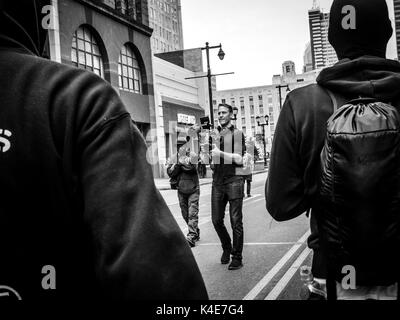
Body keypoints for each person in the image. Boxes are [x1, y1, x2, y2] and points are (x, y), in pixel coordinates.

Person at [0, 0, 208, 300]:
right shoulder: (73, 99)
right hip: (181, 188)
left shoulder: (76, 102)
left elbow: (191, 164)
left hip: (194, 187)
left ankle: (196, 232)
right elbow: (160, 281)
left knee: (195, 214)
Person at [266, 0, 400, 300]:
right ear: (388, 32)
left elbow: (281, 205)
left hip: (335, 277)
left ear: (332, 38)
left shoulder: (301, 104)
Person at [208, 103, 246, 270]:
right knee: (216, 220)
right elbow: (213, 160)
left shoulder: (237, 133)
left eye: (224, 112)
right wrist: (210, 158)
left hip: (235, 181)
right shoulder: (215, 134)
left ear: (231, 114)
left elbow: (238, 158)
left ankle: (237, 257)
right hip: (218, 182)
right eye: (219, 113)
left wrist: (220, 153)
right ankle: (227, 247)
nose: (221, 115)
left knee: (236, 221)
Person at [167, 143, 200, 248]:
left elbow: (192, 168)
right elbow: (170, 172)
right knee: (185, 214)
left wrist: (180, 163)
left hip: (193, 189)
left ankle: (192, 236)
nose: (182, 148)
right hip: (181, 190)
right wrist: (179, 164)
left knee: (192, 213)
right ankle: (195, 230)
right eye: (180, 146)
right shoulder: (174, 157)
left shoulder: (193, 155)